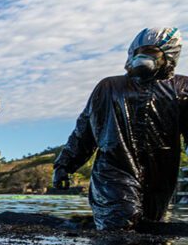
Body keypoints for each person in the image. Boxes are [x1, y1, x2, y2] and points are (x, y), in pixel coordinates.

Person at [53, 27, 187, 230]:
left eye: (153, 52)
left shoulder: (182, 89)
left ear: (170, 56)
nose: (145, 58)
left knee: (152, 233)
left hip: (160, 179)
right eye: (141, 51)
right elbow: (84, 131)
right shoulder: (109, 87)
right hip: (113, 174)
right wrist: (64, 166)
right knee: (120, 224)